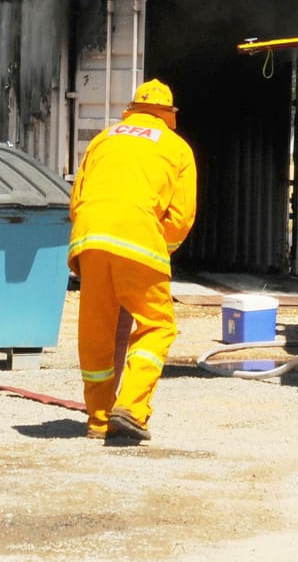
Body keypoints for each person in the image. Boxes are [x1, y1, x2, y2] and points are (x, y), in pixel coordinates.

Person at [68, 77, 198, 443]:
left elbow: (78, 200)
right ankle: (131, 407)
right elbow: (181, 217)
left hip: (90, 240)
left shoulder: (103, 139)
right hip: (139, 239)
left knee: (97, 333)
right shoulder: (177, 148)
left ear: (132, 110)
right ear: (168, 114)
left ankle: (98, 420)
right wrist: (159, 250)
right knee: (158, 326)